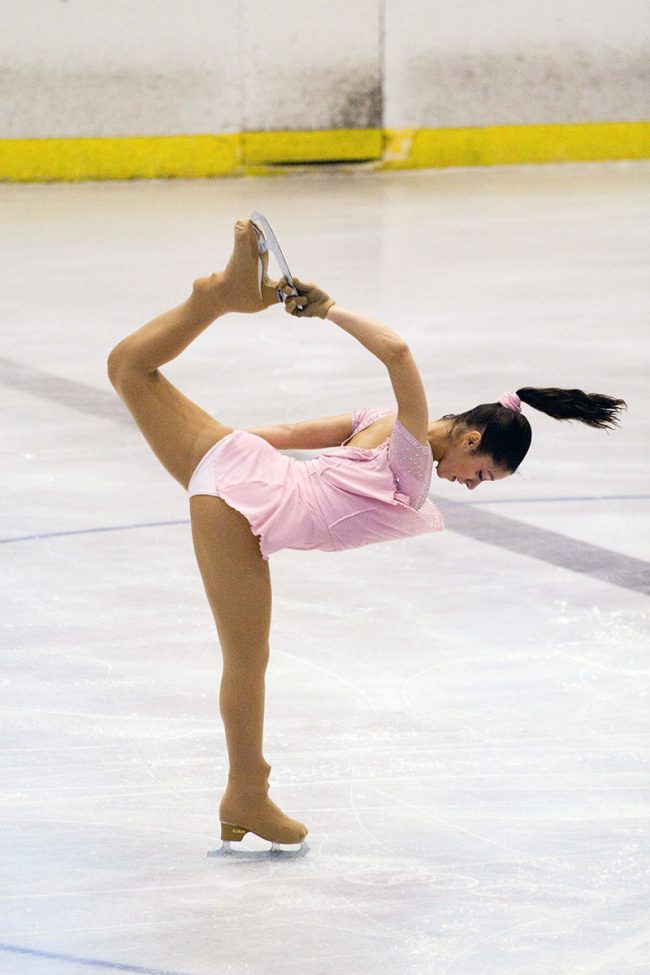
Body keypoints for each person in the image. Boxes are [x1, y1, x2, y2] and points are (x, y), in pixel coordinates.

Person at [107, 218, 626, 857]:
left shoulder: (377, 424)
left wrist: (214, 447)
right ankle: (247, 791)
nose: (470, 485)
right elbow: (399, 354)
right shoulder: (410, 464)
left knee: (131, 367)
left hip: (240, 469)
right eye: (482, 473)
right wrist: (328, 311)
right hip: (243, 503)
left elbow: (294, 433)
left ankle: (216, 299)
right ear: (469, 440)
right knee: (248, 658)